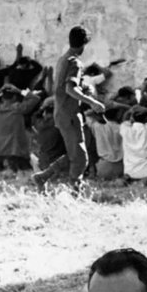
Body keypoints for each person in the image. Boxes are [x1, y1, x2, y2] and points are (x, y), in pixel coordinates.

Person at [33, 26, 106, 188]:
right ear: (84, 43)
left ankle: (44, 176)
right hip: (70, 113)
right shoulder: (75, 62)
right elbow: (69, 88)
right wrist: (92, 102)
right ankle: (75, 190)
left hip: (61, 112)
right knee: (81, 158)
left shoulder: (62, 59)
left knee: (75, 154)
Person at [119, 106, 147, 183]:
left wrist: (129, 111)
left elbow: (124, 120)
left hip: (130, 172)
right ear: (146, 119)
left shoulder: (125, 129)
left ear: (132, 119)